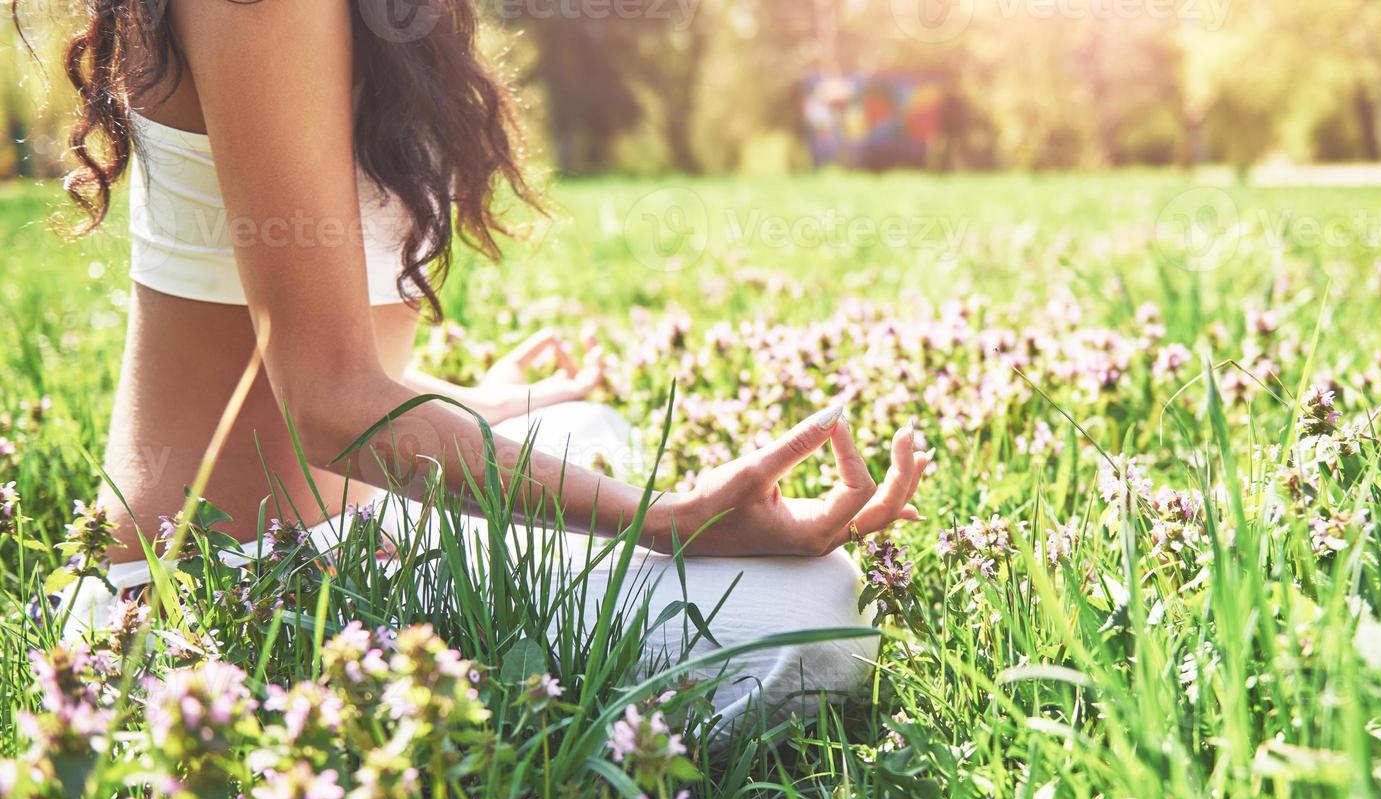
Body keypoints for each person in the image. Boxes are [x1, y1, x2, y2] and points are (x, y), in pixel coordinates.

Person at [42, 0, 928, 728]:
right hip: (219, 589)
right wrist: (666, 517)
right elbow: (328, 404)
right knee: (813, 614)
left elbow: (311, 381)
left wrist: (481, 403)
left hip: (352, 519)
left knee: (584, 427)